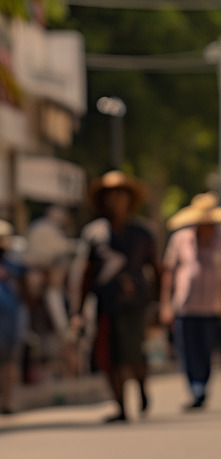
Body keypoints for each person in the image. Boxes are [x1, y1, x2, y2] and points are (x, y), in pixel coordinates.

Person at [74, 171, 159, 423]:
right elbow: (87, 275)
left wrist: (157, 303)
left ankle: (141, 387)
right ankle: (121, 406)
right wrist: (78, 311)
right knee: (109, 356)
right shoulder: (94, 233)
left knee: (132, 354)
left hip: (135, 304)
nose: (115, 200)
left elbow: (156, 269)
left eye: (120, 194)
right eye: (110, 195)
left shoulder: (142, 233)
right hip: (106, 304)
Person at [160, 193, 221, 409]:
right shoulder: (181, 239)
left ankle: (202, 385)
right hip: (185, 305)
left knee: (206, 348)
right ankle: (195, 388)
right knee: (187, 349)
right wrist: (165, 304)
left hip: (214, 306)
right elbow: (169, 272)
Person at [0, 220, 29, 414]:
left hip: (12, 320)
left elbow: (27, 292)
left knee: (10, 363)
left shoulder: (15, 265)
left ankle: (7, 401)